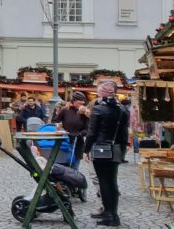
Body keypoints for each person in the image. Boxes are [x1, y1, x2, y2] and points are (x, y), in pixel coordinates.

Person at [85, 80, 129, 226]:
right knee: (112, 181)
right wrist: (122, 152)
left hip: (101, 149)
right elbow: (124, 134)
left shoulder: (98, 109)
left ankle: (110, 215)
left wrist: (86, 150)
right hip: (116, 148)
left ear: (101, 94)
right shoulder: (122, 109)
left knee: (104, 182)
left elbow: (91, 133)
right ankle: (112, 213)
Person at [54, 92, 90, 170]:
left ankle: (73, 181)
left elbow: (87, 130)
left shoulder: (85, 113)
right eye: (79, 102)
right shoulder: (65, 110)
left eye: (83, 102)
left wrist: (77, 134)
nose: (82, 103)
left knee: (74, 168)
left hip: (77, 142)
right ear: (74, 101)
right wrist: (58, 125)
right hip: (64, 141)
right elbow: (55, 120)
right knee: (61, 166)